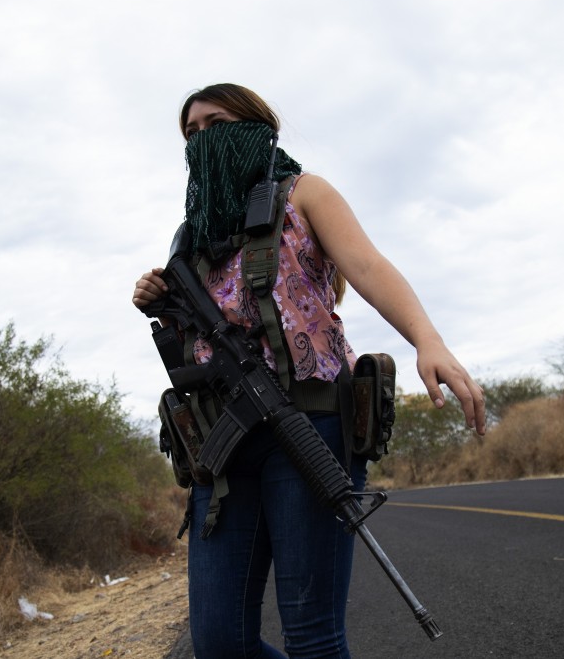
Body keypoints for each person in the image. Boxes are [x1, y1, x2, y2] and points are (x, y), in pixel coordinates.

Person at [132, 83, 485, 659]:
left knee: (313, 637)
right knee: (220, 644)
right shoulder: (190, 235)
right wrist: (161, 296)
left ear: (254, 126)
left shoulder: (304, 193)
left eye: (215, 123)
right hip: (223, 446)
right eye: (190, 133)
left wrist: (429, 341)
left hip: (309, 422)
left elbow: (368, 266)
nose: (201, 139)